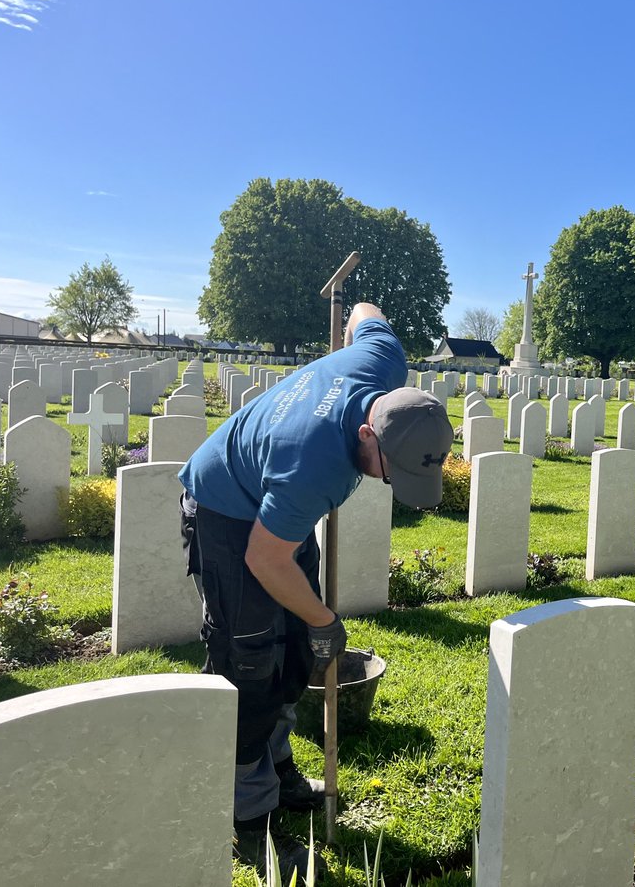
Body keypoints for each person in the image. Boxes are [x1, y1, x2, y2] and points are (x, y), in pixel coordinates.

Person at [178, 303, 454, 879]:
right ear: (365, 433)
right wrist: (327, 618)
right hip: (227, 510)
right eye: (390, 471)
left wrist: (311, 622)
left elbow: (364, 311)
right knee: (249, 658)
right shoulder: (316, 466)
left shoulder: (382, 360)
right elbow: (264, 558)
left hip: (276, 511)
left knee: (296, 642)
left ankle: (275, 765)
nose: (387, 482)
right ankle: (248, 820)